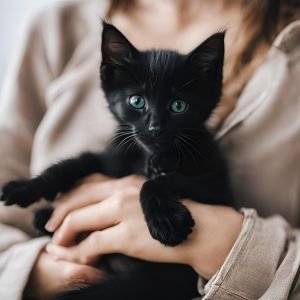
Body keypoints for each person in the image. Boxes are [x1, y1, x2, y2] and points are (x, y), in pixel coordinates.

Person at [0, 0, 299, 299]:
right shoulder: (58, 25)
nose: (155, 127)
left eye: (177, 106)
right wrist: (35, 271)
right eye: (138, 103)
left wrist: (234, 247)